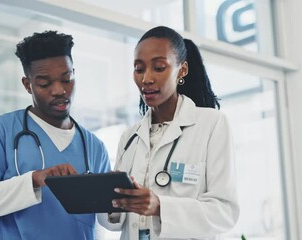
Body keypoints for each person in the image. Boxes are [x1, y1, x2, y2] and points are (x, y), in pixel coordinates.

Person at [0, 30, 111, 239]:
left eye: (66, 79)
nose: (59, 90)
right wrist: (34, 180)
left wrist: (121, 197)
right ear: (27, 84)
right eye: (45, 83)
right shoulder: (2, 131)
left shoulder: (94, 146)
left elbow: (106, 220)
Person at [98, 26, 239, 239]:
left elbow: (225, 212)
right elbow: (114, 222)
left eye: (159, 67)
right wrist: (111, 199)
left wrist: (160, 206)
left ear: (182, 70)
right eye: (139, 69)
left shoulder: (211, 124)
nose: (146, 78)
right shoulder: (130, 136)